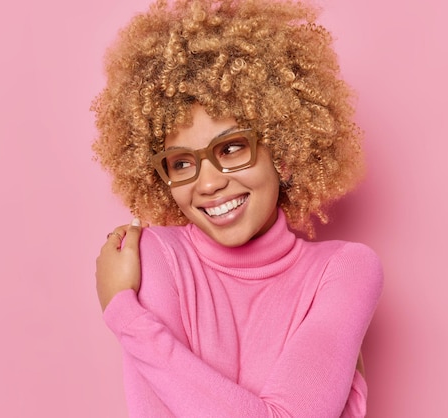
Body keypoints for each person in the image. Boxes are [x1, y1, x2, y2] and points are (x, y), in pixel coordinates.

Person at [92, 0, 383, 416]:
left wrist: (124, 315)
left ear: (281, 153)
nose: (208, 183)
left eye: (231, 148)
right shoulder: (156, 258)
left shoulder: (346, 269)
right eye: (181, 163)